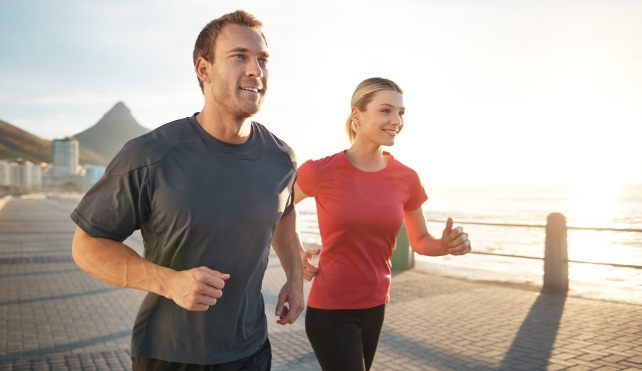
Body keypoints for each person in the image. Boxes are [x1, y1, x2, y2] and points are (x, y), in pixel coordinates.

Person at [71, 10, 304, 371]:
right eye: (239, 56)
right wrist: (170, 282)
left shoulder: (281, 158)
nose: (256, 69)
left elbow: (284, 213)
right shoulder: (151, 154)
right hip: (170, 354)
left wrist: (293, 276)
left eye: (262, 59)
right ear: (204, 69)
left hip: (253, 350)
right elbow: (87, 247)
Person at [295, 77, 472, 371]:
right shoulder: (320, 171)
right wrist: (295, 250)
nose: (396, 120)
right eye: (386, 111)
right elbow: (279, 209)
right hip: (332, 308)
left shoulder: (406, 178)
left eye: (401, 112)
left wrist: (447, 245)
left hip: (376, 306)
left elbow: (421, 240)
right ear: (357, 115)